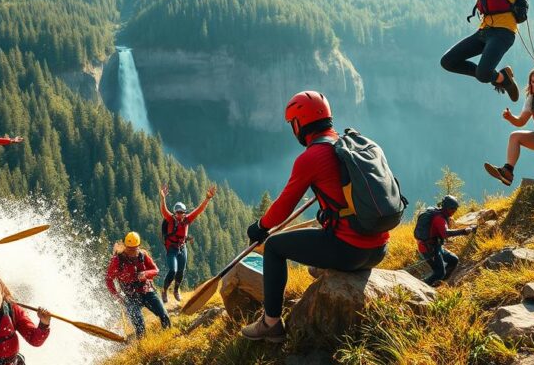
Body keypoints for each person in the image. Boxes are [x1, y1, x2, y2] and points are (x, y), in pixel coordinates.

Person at [241, 91, 389, 343]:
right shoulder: (352, 145)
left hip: (352, 252)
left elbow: (284, 206)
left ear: (299, 124)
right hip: (379, 249)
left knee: (275, 247)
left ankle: (271, 324)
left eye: (292, 124)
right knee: (324, 230)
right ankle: (324, 266)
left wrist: (260, 226)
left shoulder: (311, 157)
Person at [158, 183, 217, 303]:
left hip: (182, 247)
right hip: (172, 249)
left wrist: (207, 198)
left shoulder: (187, 219)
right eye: (178, 212)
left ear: (184, 213)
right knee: (173, 270)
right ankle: (164, 291)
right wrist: (163, 198)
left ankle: (176, 290)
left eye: (182, 212)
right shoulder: (170, 219)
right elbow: (163, 210)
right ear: (175, 213)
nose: (180, 214)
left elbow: (199, 210)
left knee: (181, 271)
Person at [105, 231, 170, 338]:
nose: (132, 251)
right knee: (139, 325)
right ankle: (142, 347)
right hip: (130, 296)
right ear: (125, 246)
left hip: (147, 291)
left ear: (138, 246)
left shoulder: (143, 255)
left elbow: (155, 270)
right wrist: (116, 295)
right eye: (130, 249)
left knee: (164, 316)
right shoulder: (117, 260)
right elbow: (108, 279)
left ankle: (168, 337)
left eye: (135, 248)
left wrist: (145, 274)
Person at [415, 195, 475, 287]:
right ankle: (421, 288)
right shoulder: (439, 218)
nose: (454, 211)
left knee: (453, 260)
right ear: (446, 207)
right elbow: (445, 234)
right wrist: (464, 231)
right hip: (428, 249)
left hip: (435, 246)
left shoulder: (439, 214)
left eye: (455, 209)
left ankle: (438, 284)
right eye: (452, 209)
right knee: (439, 272)